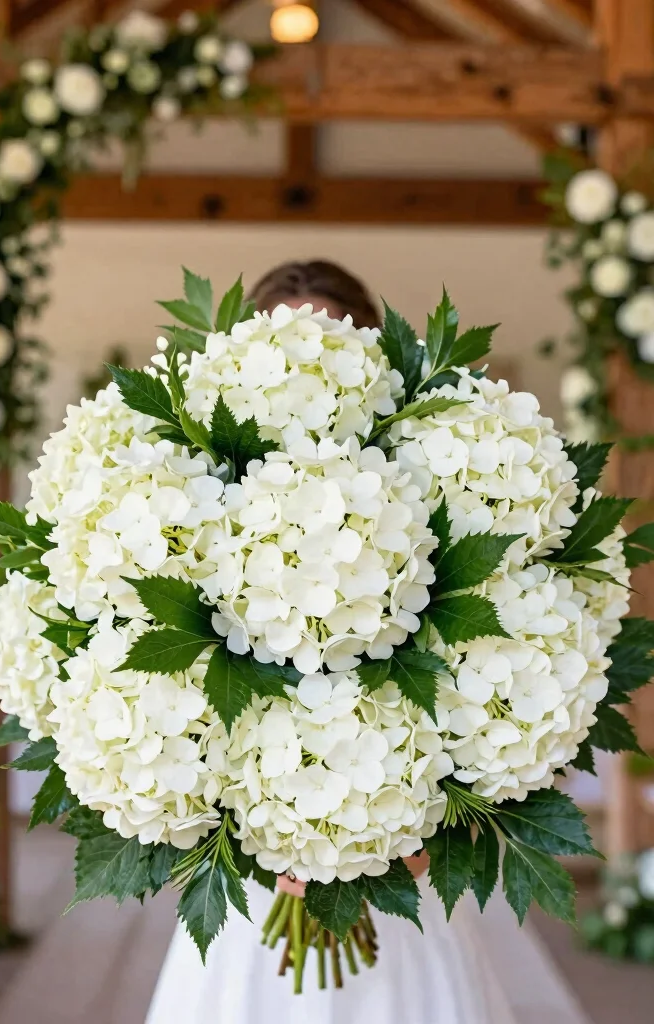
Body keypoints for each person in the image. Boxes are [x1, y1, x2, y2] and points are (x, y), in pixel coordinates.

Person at [144, 261, 569, 1024]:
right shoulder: (199, 502)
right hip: (260, 879)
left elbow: (474, 693)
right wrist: (248, 835)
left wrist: (415, 829)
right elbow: (169, 704)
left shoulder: (423, 504)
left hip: (397, 867)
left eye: (329, 341)